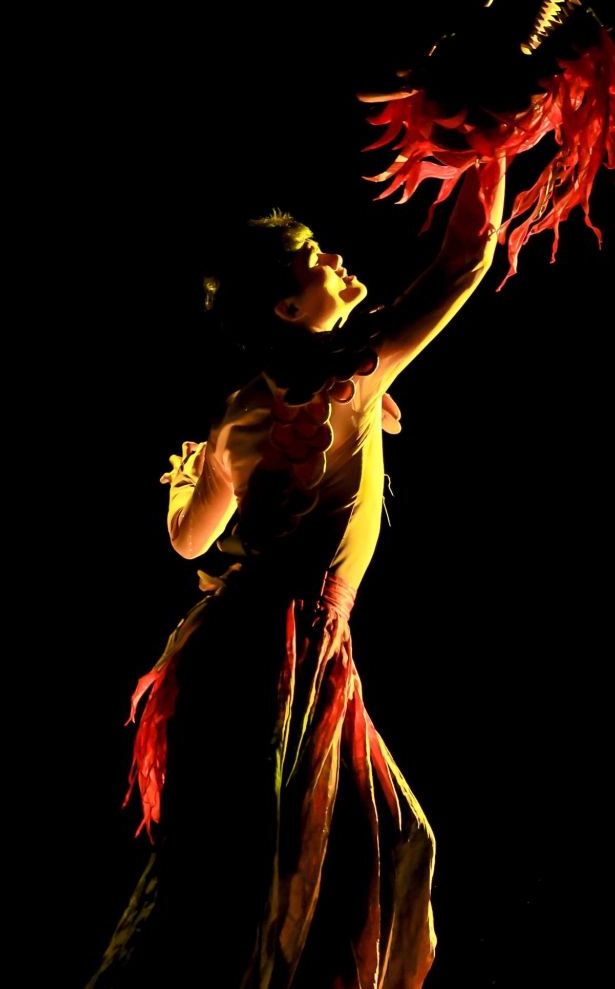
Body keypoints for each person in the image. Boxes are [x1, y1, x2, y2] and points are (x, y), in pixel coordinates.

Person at [85, 155, 509, 989]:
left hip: (274, 646)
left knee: (363, 849)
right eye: (314, 254)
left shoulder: (241, 411)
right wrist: (490, 141)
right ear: (287, 307)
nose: (334, 255)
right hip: (269, 651)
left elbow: (188, 541)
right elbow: (464, 259)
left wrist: (186, 481)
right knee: (256, 878)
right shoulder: (352, 371)